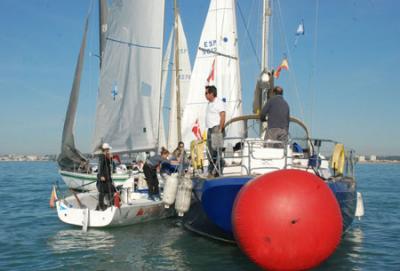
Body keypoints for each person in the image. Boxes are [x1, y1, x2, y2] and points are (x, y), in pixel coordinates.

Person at [205, 85, 226, 177]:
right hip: (210, 128)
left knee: (217, 150)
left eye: (206, 93)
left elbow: (222, 115)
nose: (205, 95)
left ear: (211, 94)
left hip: (216, 128)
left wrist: (220, 129)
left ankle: (218, 170)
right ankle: (212, 169)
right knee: (210, 150)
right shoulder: (209, 103)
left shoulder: (219, 102)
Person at [96, 143, 116, 210]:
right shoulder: (102, 157)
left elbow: (111, 164)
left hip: (107, 178)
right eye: (108, 149)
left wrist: (111, 158)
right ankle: (103, 206)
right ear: (105, 150)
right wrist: (101, 176)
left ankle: (107, 205)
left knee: (108, 191)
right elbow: (100, 167)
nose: (109, 151)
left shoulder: (105, 157)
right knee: (105, 191)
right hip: (104, 178)